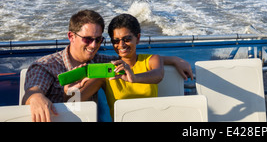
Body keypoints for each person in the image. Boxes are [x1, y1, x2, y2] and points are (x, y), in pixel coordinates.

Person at [22, 9, 193, 122]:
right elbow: (32, 92)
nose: (93, 45)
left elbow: (132, 58)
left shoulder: (101, 62)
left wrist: (172, 59)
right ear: (71, 36)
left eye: (98, 40)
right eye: (88, 39)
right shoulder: (45, 66)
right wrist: (36, 98)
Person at [102, 13, 164, 119]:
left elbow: (158, 75)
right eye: (116, 41)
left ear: (138, 38)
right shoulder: (107, 69)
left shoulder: (151, 60)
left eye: (127, 39)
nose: (121, 45)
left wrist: (135, 78)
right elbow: (81, 94)